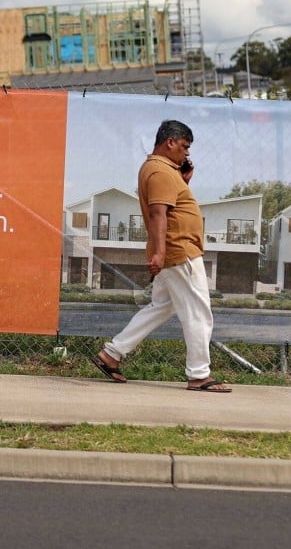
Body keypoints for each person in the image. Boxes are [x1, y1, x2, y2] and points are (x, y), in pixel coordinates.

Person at [90, 119, 231, 392]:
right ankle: (199, 374)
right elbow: (158, 213)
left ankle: (112, 354)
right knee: (199, 313)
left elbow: (169, 206)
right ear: (170, 142)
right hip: (180, 252)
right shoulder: (160, 171)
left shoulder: (163, 171)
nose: (187, 153)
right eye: (184, 147)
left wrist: (184, 179)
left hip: (175, 252)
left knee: (161, 307)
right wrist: (161, 251)